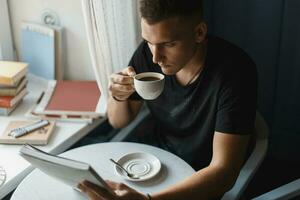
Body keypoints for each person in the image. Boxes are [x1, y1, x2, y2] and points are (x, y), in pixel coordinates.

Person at [78, 0, 257, 199]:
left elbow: (224, 173)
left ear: (199, 32)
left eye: (168, 44)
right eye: (148, 41)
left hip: (201, 177)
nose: (155, 58)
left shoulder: (236, 72)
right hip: (159, 162)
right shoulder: (147, 55)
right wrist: (118, 96)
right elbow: (119, 121)